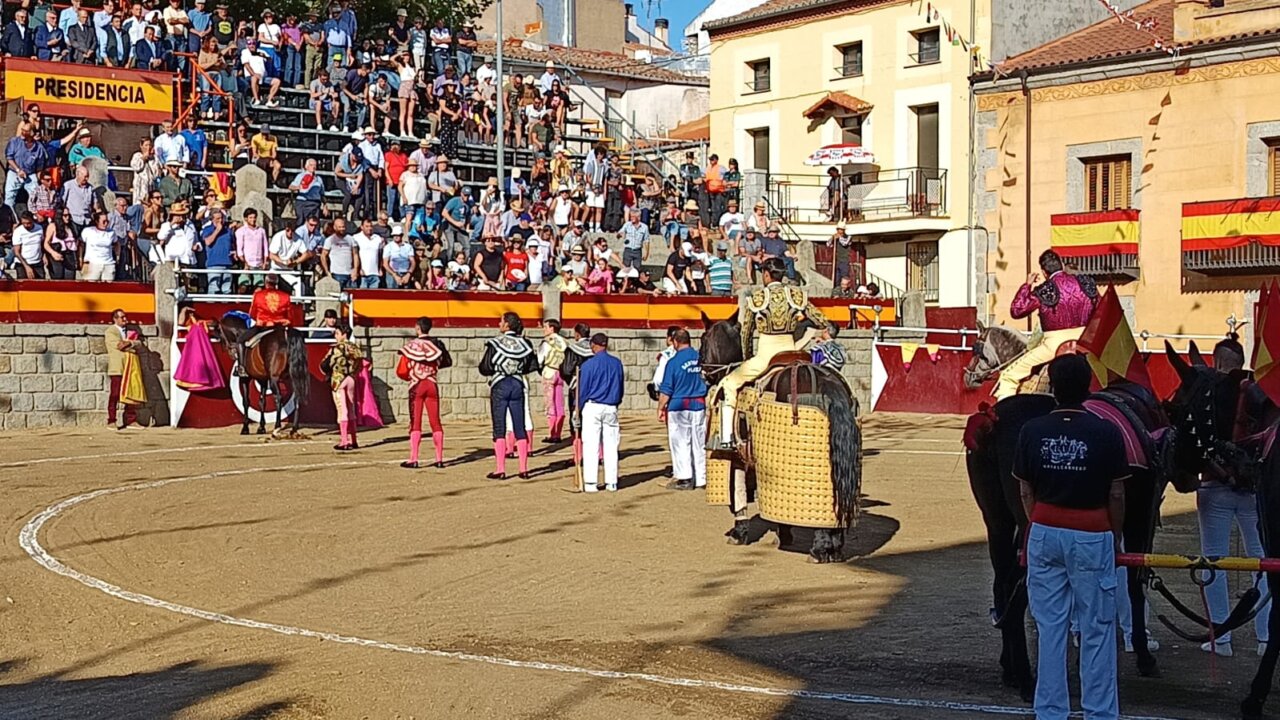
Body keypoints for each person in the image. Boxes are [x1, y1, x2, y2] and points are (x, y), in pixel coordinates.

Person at [1014, 353, 1128, 720]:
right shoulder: (1107, 431)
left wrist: (1042, 523)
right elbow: (1116, 494)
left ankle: (1049, 711)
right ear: (1088, 386)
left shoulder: (1031, 430)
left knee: (1050, 628)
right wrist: (1114, 534)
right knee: (1096, 627)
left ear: (1052, 387)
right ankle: (1099, 712)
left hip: (1045, 530)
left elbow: (1026, 492)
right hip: (1092, 532)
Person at [1196, 333, 1271, 657]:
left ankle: (1221, 638)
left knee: (1213, 560)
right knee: (1263, 562)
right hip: (1254, 490)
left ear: (1215, 360)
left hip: (1214, 486)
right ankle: (1266, 636)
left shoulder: (1206, 391)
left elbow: (1195, 440)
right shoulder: (1261, 391)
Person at [715, 258, 829, 449]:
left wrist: (747, 358)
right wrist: (802, 330)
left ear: (766, 274)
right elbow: (821, 320)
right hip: (793, 352)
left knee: (729, 383)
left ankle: (726, 439)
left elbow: (746, 333)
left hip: (766, 356)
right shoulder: (798, 295)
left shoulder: (757, 298)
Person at [997, 249, 1099, 400]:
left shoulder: (1045, 289)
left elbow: (1017, 311)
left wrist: (1027, 285)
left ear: (1044, 272)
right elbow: (1102, 308)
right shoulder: (1085, 282)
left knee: (1008, 376)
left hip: (1054, 344)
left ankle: (1004, 417)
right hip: (1087, 342)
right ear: (1062, 265)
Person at [478, 311, 539, 480]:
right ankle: (523, 469)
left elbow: (485, 367)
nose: (499, 324)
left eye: (501, 322)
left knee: (500, 427)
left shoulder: (495, 343)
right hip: (518, 384)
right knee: (519, 426)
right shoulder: (525, 343)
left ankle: (500, 469)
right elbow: (531, 365)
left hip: (500, 384)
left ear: (507, 325)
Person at [659, 328, 707, 491]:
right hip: (699, 404)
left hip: (679, 405)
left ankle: (685, 478)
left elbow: (666, 389)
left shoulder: (673, 362)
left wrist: (660, 407)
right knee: (699, 442)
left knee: (680, 442)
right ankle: (701, 478)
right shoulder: (700, 359)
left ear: (676, 342)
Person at [399, 316, 450, 469]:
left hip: (417, 384)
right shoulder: (436, 346)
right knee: (436, 422)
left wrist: (411, 375)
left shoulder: (410, 346)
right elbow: (445, 362)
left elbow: (401, 370)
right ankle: (439, 459)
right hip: (432, 384)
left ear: (417, 328)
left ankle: (414, 459)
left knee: (416, 423)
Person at [577, 332, 624, 493]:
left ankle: (591, 482)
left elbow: (582, 390)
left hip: (593, 406)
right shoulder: (617, 363)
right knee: (611, 446)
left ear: (593, 345)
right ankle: (612, 482)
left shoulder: (588, 365)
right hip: (611, 406)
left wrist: (578, 408)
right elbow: (620, 387)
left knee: (591, 445)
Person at [321, 320, 363, 451]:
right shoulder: (355, 348)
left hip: (339, 379)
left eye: (338, 333)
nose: (336, 336)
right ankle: (354, 440)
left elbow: (324, 364)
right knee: (351, 409)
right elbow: (359, 365)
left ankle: (344, 441)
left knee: (342, 410)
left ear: (344, 334)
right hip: (351, 379)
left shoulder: (336, 348)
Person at [105, 308, 143, 428]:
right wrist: (132, 343)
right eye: (122, 317)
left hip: (130, 367)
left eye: (125, 317)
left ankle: (130, 420)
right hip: (118, 367)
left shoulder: (130, 331)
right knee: (115, 394)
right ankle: (111, 420)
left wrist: (130, 343)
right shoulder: (110, 332)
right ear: (115, 319)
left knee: (131, 393)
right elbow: (120, 346)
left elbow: (140, 344)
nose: (125, 319)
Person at [538, 318, 568, 443]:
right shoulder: (564, 342)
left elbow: (540, 359)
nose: (544, 330)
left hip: (549, 371)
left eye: (546, 327)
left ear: (552, 328)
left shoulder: (546, 342)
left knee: (550, 404)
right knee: (559, 404)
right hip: (560, 373)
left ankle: (553, 433)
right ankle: (558, 433)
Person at [80, 210, 116, 281]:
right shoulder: (88, 231)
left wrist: (117, 256)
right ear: (97, 221)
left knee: (108, 288)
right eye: (103, 221)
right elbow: (81, 244)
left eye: (107, 221)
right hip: (93, 264)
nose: (106, 224)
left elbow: (116, 243)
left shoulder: (111, 232)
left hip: (108, 264)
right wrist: (81, 258)